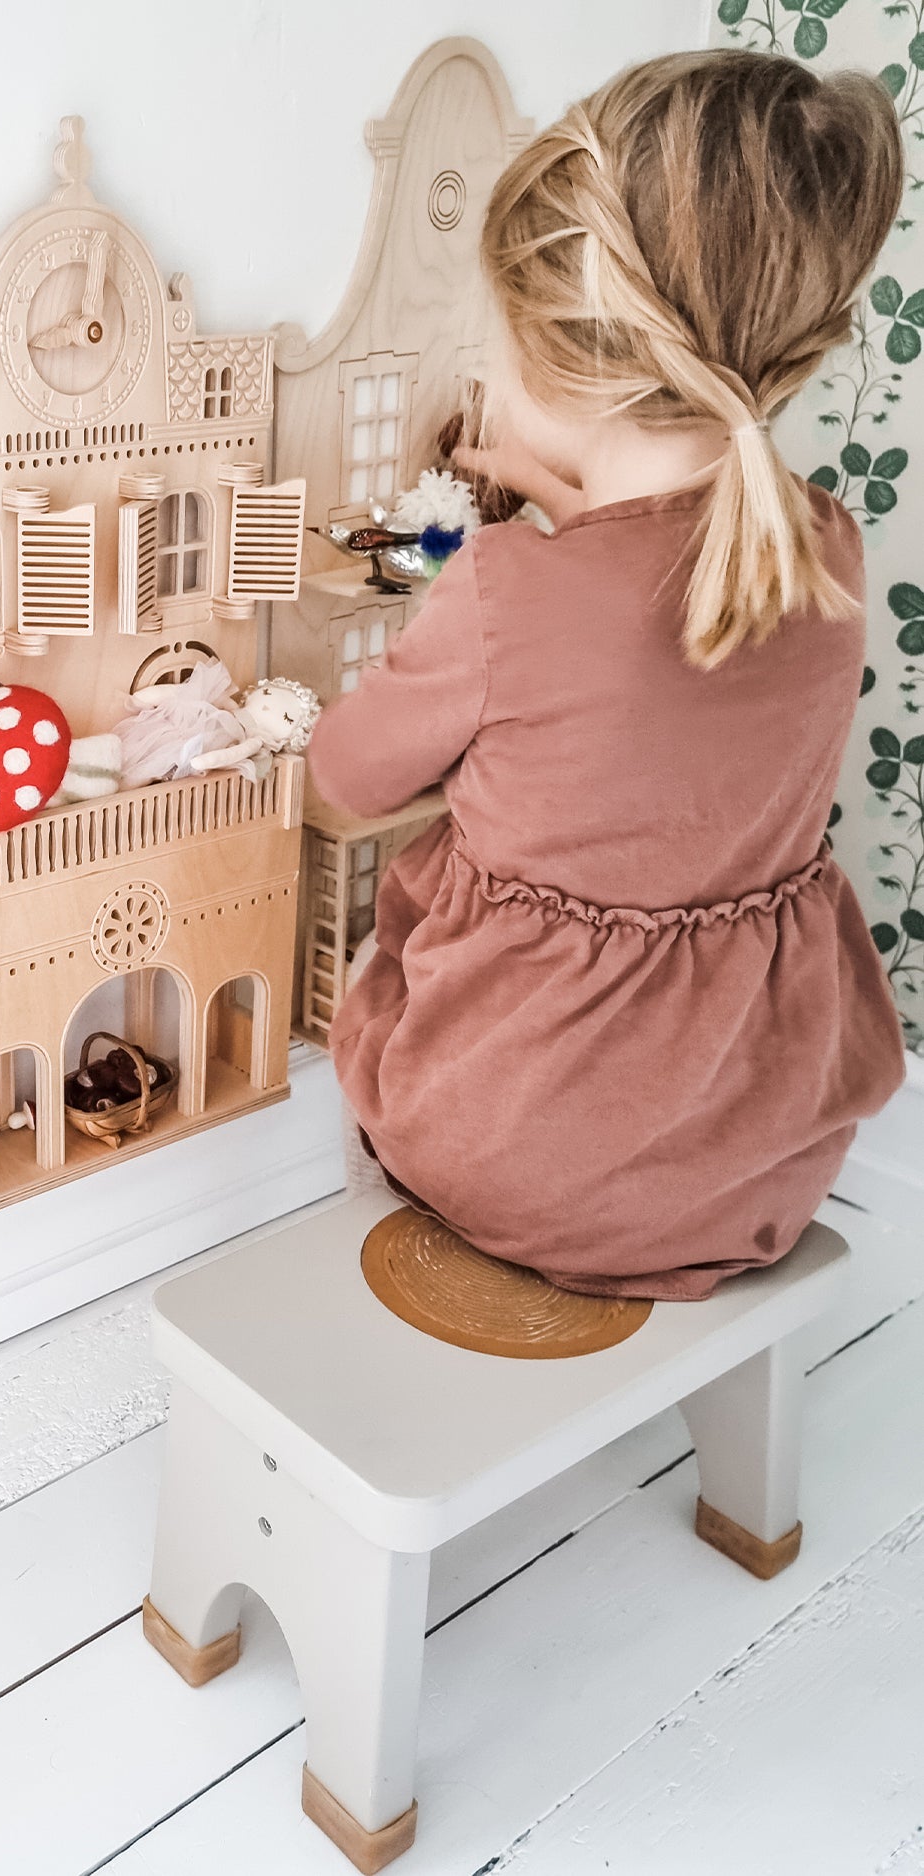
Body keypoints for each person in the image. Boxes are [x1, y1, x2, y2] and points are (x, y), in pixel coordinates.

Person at [308, 49, 908, 1299]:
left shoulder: (502, 591)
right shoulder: (828, 551)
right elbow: (659, 597)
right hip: (761, 1162)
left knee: (373, 981)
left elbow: (346, 779)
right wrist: (560, 502)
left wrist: (493, 572)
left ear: (547, 363)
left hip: (506, 1159)